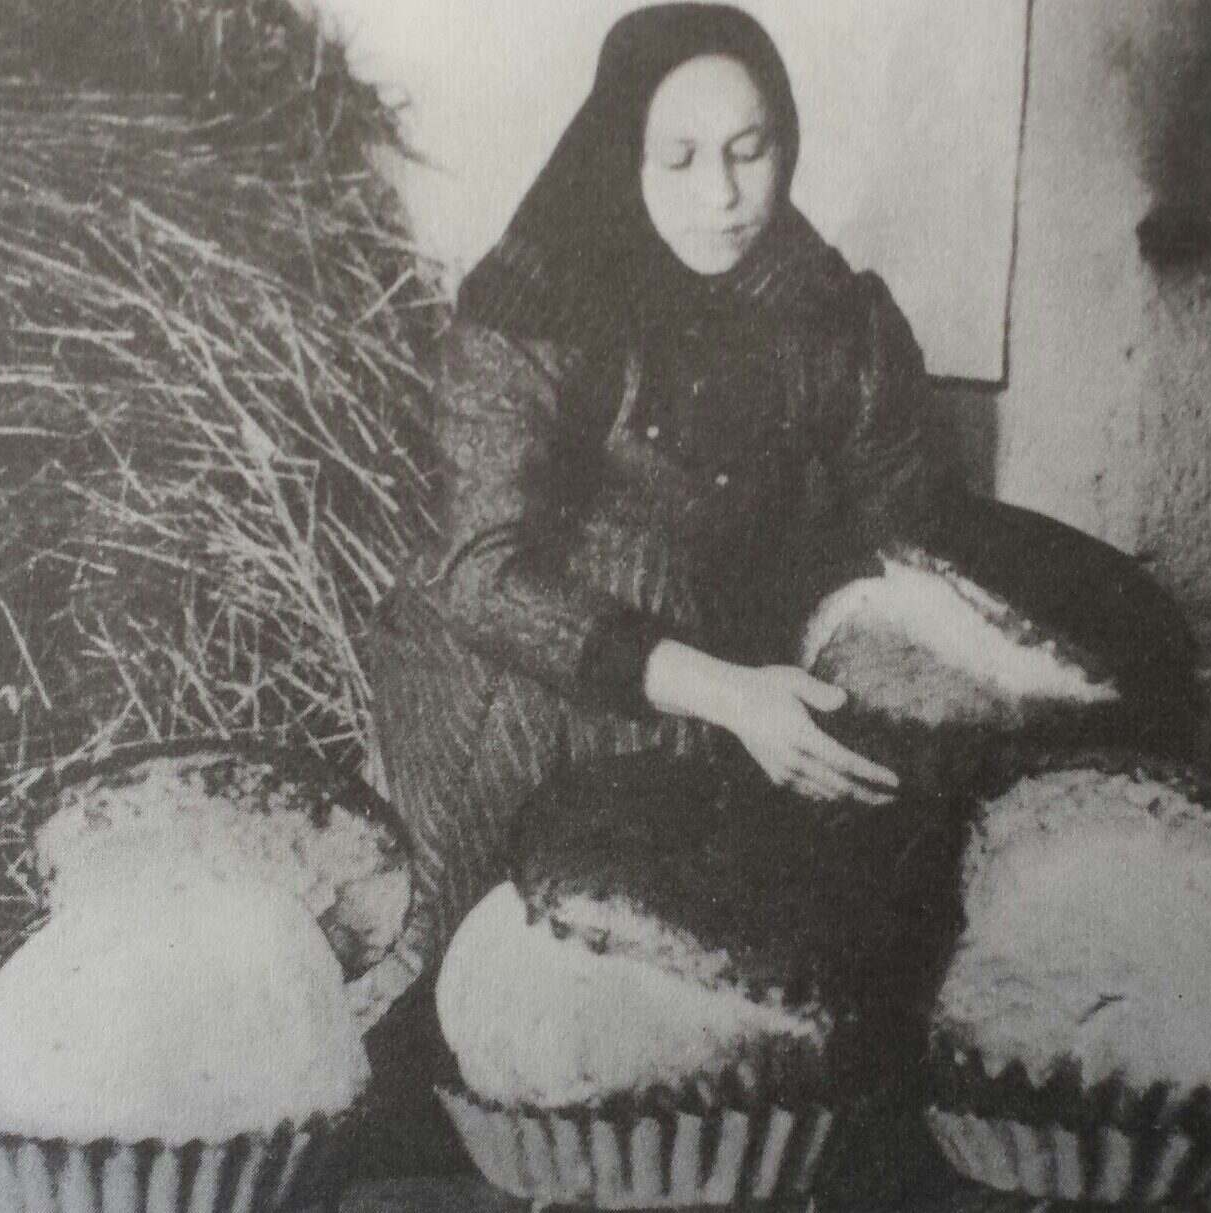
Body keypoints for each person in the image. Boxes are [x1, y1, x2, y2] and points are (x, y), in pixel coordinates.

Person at [364, 1, 951, 999]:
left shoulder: (826, 314)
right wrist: (727, 693)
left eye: (749, 151)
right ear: (621, 157)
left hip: (730, 680)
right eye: (677, 159)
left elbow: (905, 528)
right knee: (478, 981)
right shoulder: (534, 308)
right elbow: (483, 578)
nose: (721, 196)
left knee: (762, 991)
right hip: (516, 687)